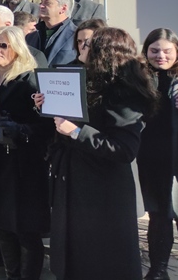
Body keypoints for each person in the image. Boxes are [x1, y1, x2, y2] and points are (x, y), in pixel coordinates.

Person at [43, 27, 158, 280]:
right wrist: (46, 105)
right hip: (75, 184)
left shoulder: (124, 93)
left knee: (100, 262)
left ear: (102, 53)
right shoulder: (91, 82)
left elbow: (124, 149)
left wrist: (76, 132)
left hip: (102, 195)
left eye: (88, 45)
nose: (81, 47)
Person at [0, 26, 52, 280]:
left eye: (3, 45)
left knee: (26, 230)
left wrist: (20, 129)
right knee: (2, 226)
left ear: (17, 49)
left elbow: (48, 127)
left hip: (23, 167)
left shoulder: (31, 81)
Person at [138, 29, 178, 280]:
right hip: (151, 158)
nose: (161, 56)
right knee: (158, 215)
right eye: (154, 50)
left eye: (167, 51)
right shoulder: (139, 78)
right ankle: (158, 271)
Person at [25, 0, 78, 67]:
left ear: (63, 8)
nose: (41, 6)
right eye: (41, 3)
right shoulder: (30, 37)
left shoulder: (76, 37)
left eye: (47, 3)